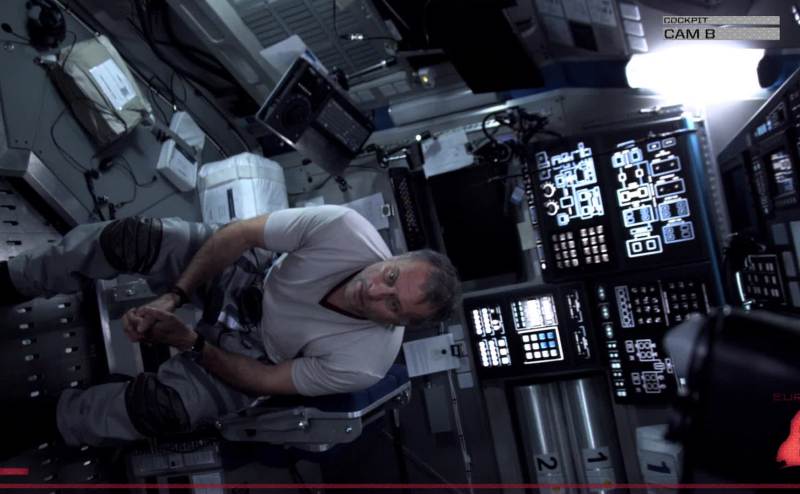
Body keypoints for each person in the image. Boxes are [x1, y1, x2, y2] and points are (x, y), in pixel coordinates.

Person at [1, 205, 460, 448]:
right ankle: (16, 279)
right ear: (395, 256)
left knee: (161, 411)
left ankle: (51, 419)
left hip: (255, 352)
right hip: (249, 272)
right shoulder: (345, 228)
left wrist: (190, 343)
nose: (374, 291)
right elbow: (240, 234)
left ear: (402, 325)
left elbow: (264, 381)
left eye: (393, 306)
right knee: (131, 239)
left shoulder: (366, 364)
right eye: (390, 276)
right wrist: (174, 296)